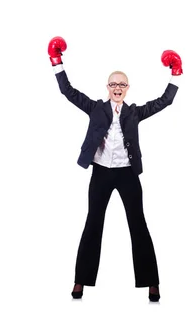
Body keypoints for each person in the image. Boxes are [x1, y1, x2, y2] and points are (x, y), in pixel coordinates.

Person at [47, 36, 182, 302]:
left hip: (127, 173)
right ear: (107, 88)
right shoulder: (95, 108)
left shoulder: (135, 113)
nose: (117, 87)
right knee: (93, 222)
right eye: (113, 84)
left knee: (138, 224)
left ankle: (151, 283)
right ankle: (80, 282)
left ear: (128, 88)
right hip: (100, 172)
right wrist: (56, 61)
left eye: (122, 84)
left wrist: (175, 73)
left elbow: (164, 101)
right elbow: (68, 92)